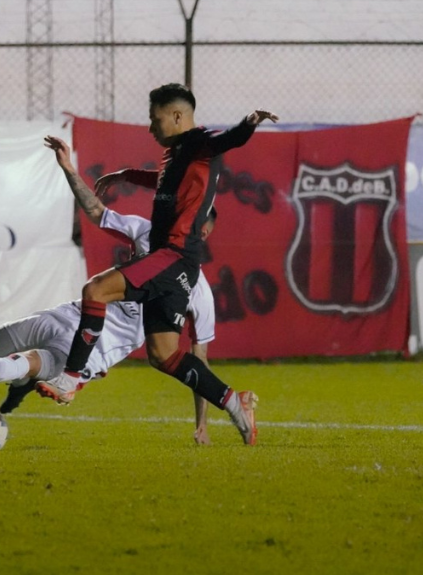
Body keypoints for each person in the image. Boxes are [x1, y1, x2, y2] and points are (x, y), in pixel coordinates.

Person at [36, 83, 277, 446]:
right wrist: (127, 175)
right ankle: (234, 401)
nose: (151, 127)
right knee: (163, 355)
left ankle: (71, 378)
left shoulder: (197, 143)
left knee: (95, 290)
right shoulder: (178, 154)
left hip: (174, 256)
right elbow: (164, 181)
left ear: (178, 116)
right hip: (177, 263)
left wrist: (249, 122)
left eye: (155, 119)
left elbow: (227, 140)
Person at [0, 135, 218, 445]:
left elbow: (97, 212)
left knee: (9, 359)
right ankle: (8, 372)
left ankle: (5, 371)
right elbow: (198, 362)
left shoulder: (165, 254)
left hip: (70, 318)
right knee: (16, 362)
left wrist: (70, 169)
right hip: (89, 342)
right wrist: (202, 424)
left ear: (200, 231)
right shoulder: (177, 265)